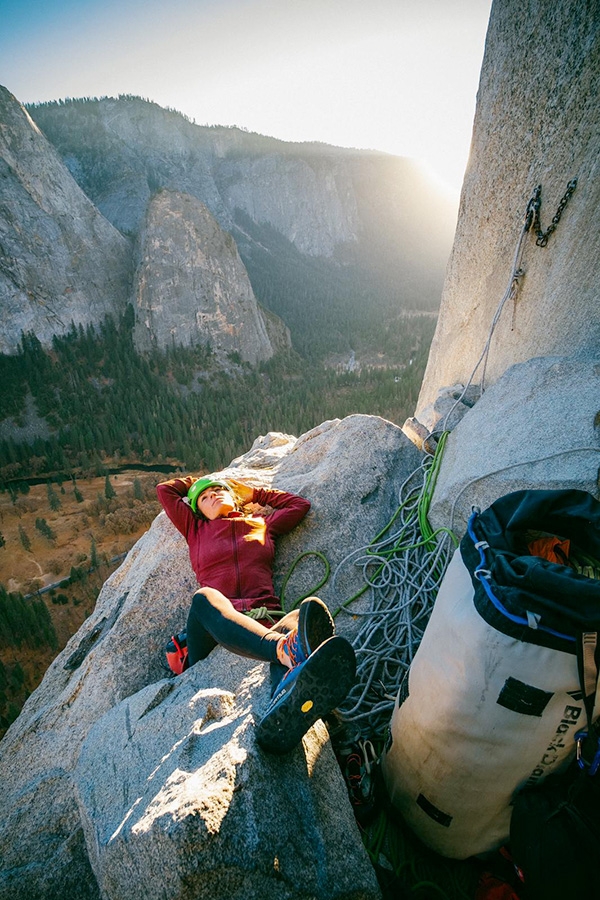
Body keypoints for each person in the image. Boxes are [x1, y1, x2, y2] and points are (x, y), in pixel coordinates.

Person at [156, 473, 356, 754]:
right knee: (204, 598)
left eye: (218, 491)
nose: (212, 495)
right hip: (213, 631)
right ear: (195, 510)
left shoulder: (262, 524)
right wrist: (198, 482)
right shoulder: (194, 529)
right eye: (204, 497)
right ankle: (283, 650)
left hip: (264, 621)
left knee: (300, 616)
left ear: (234, 497)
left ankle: (283, 702)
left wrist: (254, 494)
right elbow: (165, 489)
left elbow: (299, 506)